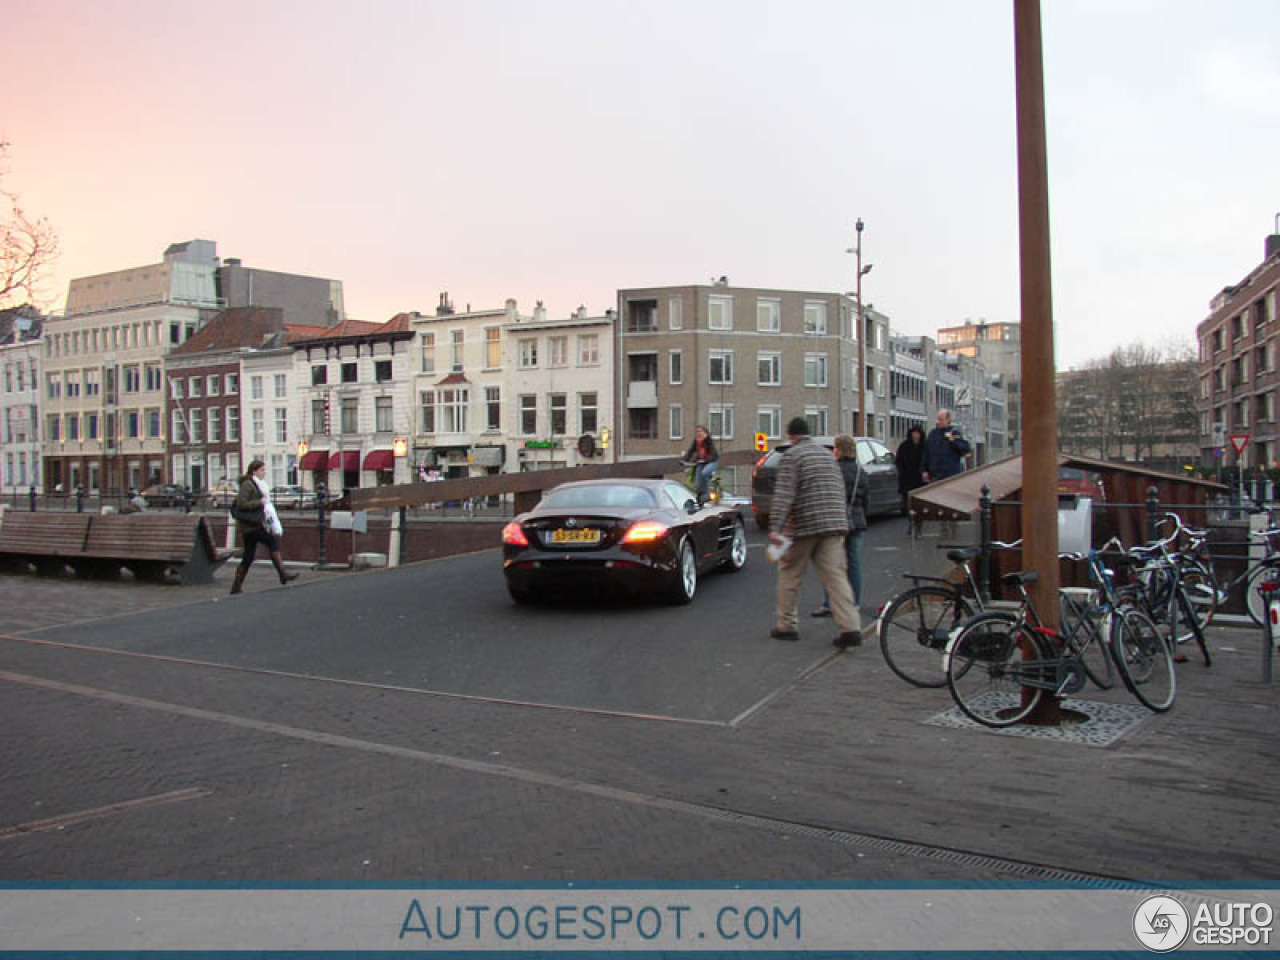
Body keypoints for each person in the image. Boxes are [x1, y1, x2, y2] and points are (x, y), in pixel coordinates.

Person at [767, 417, 862, 649]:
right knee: (836, 576)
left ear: (791, 436)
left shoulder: (792, 457)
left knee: (790, 573)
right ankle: (850, 628)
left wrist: (775, 527)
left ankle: (786, 626)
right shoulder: (827, 456)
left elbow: (784, 495)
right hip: (834, 524)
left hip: (804, 524)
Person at [811, 434, 871, 620]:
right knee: (853, 564)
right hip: (857, 522)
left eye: (835, 448)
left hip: (836, 523)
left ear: (839, 449)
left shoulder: (833, 471)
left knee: (833, 565)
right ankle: (854, 603)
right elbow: (866, 500)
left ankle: (830, 603)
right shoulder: (862, 472)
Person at [229, 459, 298, 595]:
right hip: (251, 525)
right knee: (271, 541)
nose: (264, 472)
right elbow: (242, 504)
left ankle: (236, 586)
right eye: (262, 470)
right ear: (254, 471)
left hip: (251, 525)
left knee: (248, 556)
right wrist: (259, 502)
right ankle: (282, 574)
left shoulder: (256, 484)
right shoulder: (248, 485)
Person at [921, 409, 971, 483]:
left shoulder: (955, 433)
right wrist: (924, 470)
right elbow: (926, 453)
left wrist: (953, 441)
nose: (938, 422)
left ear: (948, 420)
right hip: (935, 476)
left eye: (941, 419)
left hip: (950, 477)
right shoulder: (933, 434)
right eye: (938, 419)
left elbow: (965, 449)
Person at [895, 425, 926, 537]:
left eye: (918, 433)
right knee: (908, 504)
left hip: (920, 481)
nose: (915, 435)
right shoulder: (904, 446)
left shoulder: (924, 447)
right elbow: (898, 461)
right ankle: (911, 522)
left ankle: (918, 526)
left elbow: (928, 460)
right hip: (907, 480)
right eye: (914, 433)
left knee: (920, 505)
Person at [684, 424, 720, 503]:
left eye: (700, 431)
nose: (699, 433)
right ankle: (702, 496)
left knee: (705, 472)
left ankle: (708, 491)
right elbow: (691, 451)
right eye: (697, 432)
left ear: (705, 433)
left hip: (712, 462)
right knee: (698, 483)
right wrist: (685, 459)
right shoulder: (696, 441)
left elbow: (714, 454)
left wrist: (706, 460)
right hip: (701, 463)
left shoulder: (708, 441)